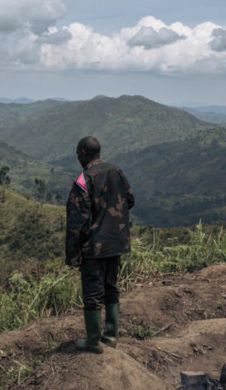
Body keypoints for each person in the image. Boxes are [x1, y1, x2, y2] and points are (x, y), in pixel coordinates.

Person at [65, 136, 135, 353]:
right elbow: (130, 200)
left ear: (83, 154)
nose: (78, 158)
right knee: (111, 288)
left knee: (93, 294)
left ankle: (94, 341)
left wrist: (73, 255)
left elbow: (77, 221)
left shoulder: (84, 179)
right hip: (116, 243)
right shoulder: (116, 171)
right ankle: (111, 335)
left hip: (95, 247)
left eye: (78, 154)